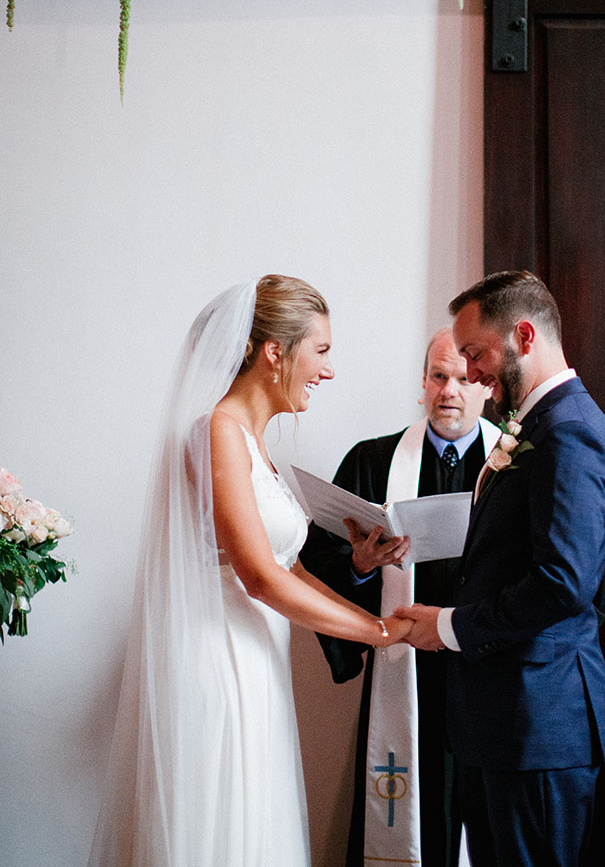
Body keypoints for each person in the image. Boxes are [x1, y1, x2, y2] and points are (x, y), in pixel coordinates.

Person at [88, 275, 411, 867]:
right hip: (216, 660)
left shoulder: (254, 442)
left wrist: (374, 617)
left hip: (255, 658)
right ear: (273, 353)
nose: (329, 371)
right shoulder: (216, 433)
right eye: (322, 351)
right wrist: (379, 634)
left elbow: (287, 567)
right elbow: (260, 577)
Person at [397, 270, 605, 867]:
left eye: (475, 354)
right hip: (507, 721)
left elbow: (563, 584)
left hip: (539, 722)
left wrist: (449, 626)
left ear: (523, 335)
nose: (470, 373)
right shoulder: (539, 424)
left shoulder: (569, 433)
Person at [300, 328, 497, 867]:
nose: (449, 391)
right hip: (403, 668)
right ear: (422, 384)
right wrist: (360, 566)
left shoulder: (512, 465)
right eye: (438, 376)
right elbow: (317, 565)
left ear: (482, 387)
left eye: (462, 378)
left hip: (482, 675)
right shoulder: (372, 462)